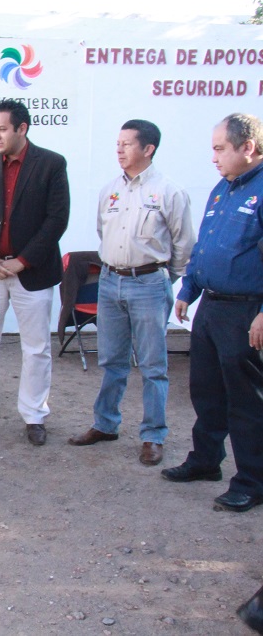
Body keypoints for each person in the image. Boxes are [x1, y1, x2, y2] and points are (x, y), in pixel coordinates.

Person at [68, 120, 194, 466]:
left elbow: (184, 245)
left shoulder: (169, 192)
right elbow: (101, 231)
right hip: (110, 281)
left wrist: (165, 277)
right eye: (118, 143)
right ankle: (105, 424)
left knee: (153, 365)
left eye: (127, 144)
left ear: (148, 149)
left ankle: (153, 435)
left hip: (149, 283)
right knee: (112, 360)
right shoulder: (110, 189)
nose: (119, 150)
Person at [163, 113, 263, 513]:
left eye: (220, 148)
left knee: (246, 401)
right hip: (211, 308)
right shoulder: (223, 188)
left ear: (248, 148)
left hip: (247, 314)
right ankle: (206, 461)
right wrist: (188, 289)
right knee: (205, 391)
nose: (214, 157)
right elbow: (204, 245)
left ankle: (251, 481)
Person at [0, 99, 70, 446]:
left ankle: (34, 416)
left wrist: (23, 261)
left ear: (22, 128)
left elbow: (56, 219)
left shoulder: (51, 164)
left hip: (31, 273)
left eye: (2, 129)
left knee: (36, 348)